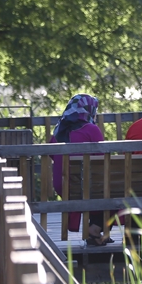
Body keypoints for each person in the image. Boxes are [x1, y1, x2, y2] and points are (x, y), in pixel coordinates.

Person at [51, 94, 107, 245]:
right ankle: (95, 228)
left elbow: (51, 155)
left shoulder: (58, 131)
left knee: (92, 186)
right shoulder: (91, 129)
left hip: (63, 184)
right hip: (84, 185)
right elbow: (101, 158)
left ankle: (93, 230)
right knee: (111, 187)